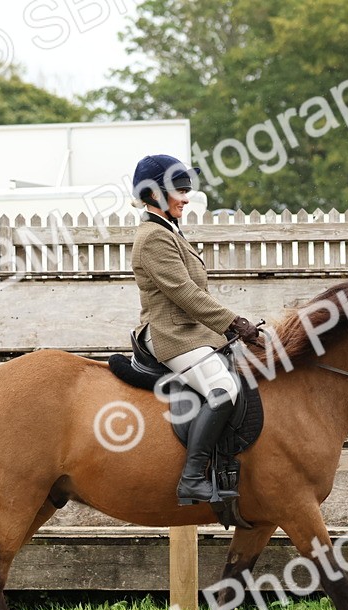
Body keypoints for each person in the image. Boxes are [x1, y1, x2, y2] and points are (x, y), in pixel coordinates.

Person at [129, 154, 260, 506]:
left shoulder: (170, 231)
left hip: (193, 332)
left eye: (187, 189)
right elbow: (186, 295)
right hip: (170, 335)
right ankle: (191, 478)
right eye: (179, 190)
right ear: (154, 194)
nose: (187, 197)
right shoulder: (153, 238)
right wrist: (235, 323)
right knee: (223, 388)